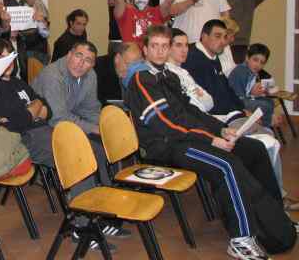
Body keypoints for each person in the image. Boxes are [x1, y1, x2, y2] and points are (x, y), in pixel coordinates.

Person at [124, 25, 295, 260]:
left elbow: (192, 112)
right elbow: (166, 124)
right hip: (166, 146)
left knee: (252, 149)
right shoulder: (142, 80)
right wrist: (211, 139)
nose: (160, 51)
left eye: (165, 46)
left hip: (187, 137)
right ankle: (241, 239)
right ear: (145, 49)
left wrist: (220, 129)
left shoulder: (168, 76)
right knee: (227, 165)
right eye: (155, 46)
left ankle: (275, 219)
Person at [166, 28, 294, 210]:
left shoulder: (189, 70)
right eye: (179, 45)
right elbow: (198, 108)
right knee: (266, 143)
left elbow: (209, 101)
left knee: (267, 136)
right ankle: (270, 201)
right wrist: (218, 121)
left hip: (219, 118)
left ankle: (271, 199)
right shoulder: (181, 70)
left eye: (186, 45)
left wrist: (239, 109)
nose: (184, 49)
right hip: (211, 124)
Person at [32, 40, 130, 244]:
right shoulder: (53, 76)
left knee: (103, 148)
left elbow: (90, 108)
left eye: (88, 61)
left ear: (93, 64)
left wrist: (104, 126)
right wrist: (93, 128)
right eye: (78, 56)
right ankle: (82, 225)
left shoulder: (89, 75)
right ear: (69, 54)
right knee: (80, 156)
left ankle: (101, 213)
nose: (81, 64)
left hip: (64, 124)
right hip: (39, 128)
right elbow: (57, 118)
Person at [0, 38, 54, 167]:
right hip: (22, 142)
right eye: (0, 58)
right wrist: (35, 107)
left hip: (43, 131)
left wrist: (31, 110)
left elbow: (48, 111)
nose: (7, 62)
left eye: (9, 57)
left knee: (84, 146)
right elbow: (9, 127)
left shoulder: (19, 83)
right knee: (71, 155)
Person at [229, 43, 279, 128]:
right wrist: (252, 95)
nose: (258, 65)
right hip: (237, 102)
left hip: (246, 98)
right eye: (255, 60)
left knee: (269, 101)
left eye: (262, 62)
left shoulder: (252, 71)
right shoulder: (241, 71)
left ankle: (267, 121)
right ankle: (266, 124)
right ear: (247, 58)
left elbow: (249, 91)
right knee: (265, 105)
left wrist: (256, 93)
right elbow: (239, 96)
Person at [15, 0, 50, 64]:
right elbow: (29, 1)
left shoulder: (40, 2)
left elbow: (45, 31)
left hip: (42, 50)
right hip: (28, 50)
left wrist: (47, 48)